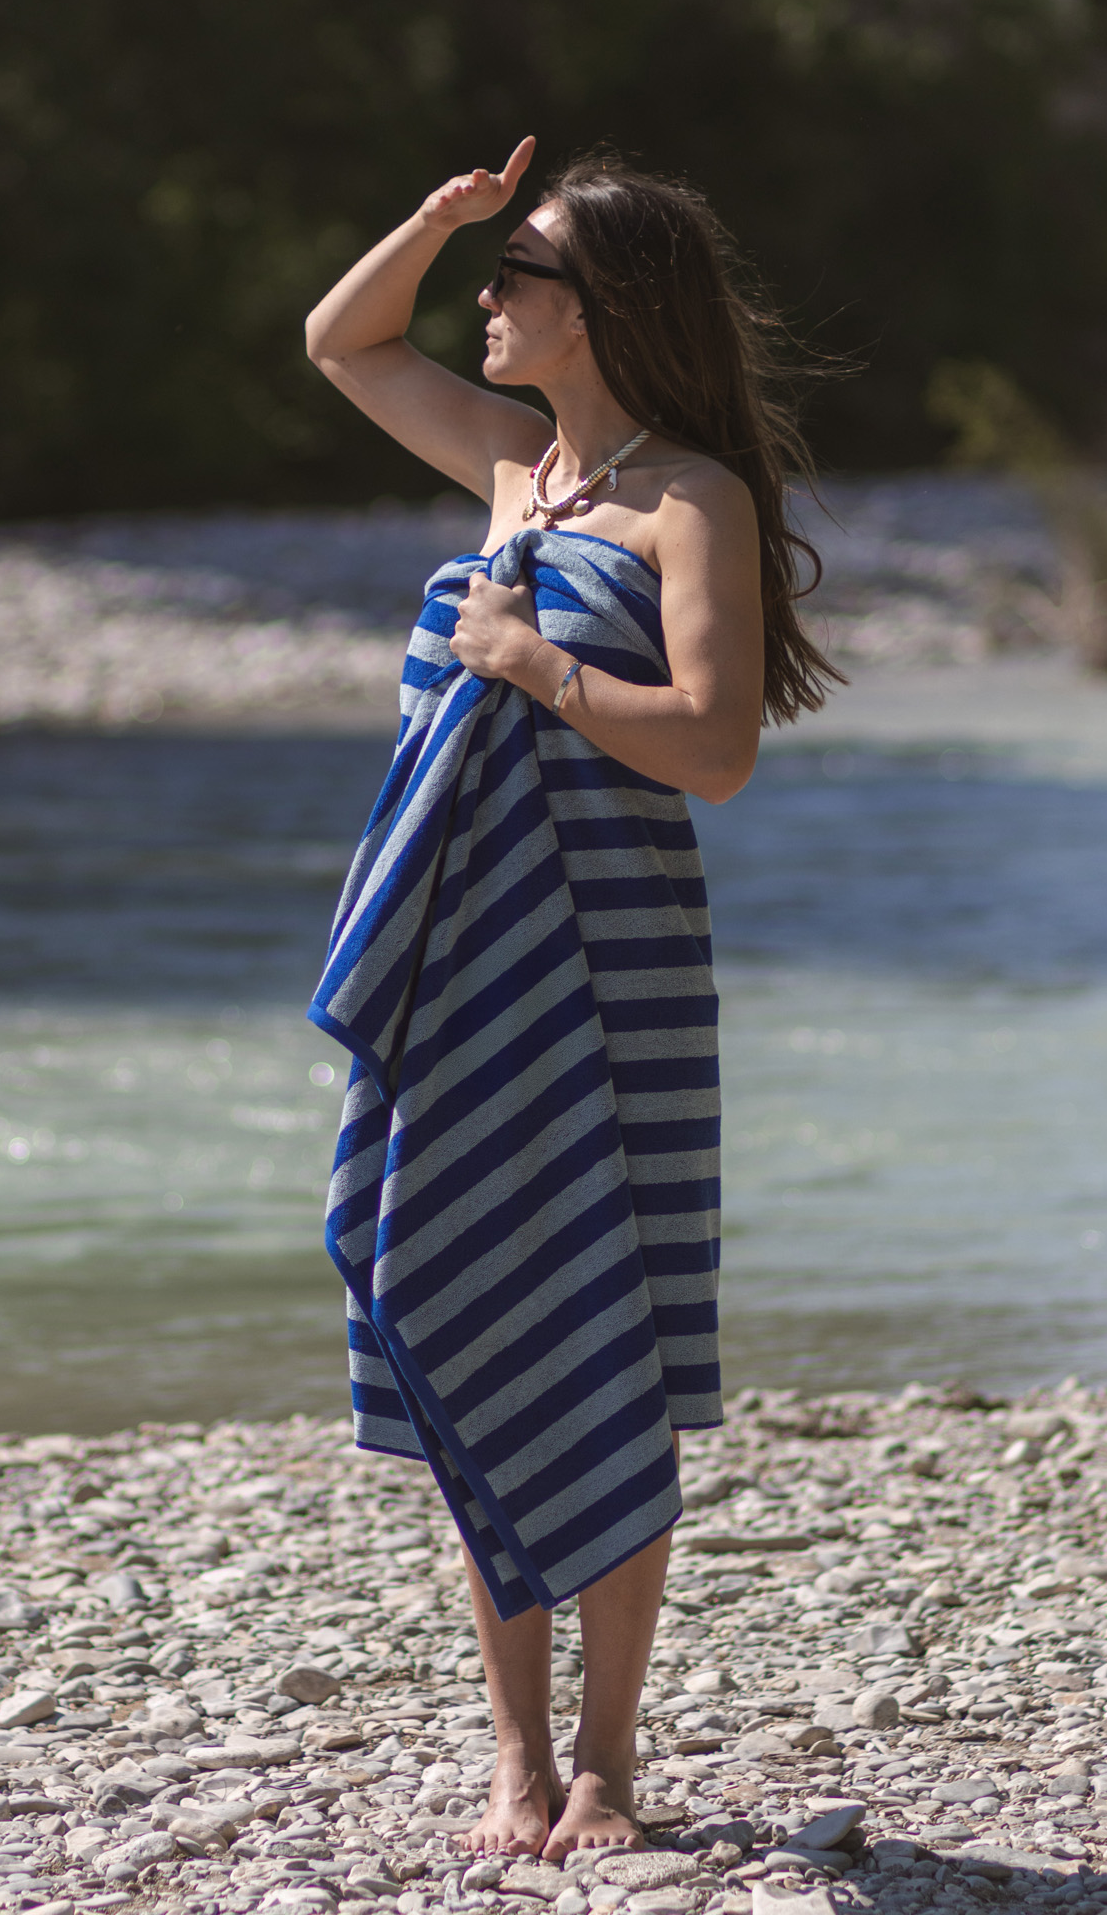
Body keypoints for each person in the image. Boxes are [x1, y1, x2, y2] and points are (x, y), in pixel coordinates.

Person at [303, 137, 840, 1861]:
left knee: (600, 1327)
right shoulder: (515, 468)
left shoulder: (695, 499)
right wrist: (444, 213)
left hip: (614, 970)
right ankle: (516, 1755)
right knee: (472, 1300)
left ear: (596, 311)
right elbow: (339, 342)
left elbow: (720, 748)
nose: (483, 297)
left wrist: (537, 666)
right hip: (464, 959)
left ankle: (608, 1756)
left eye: (513, 272)